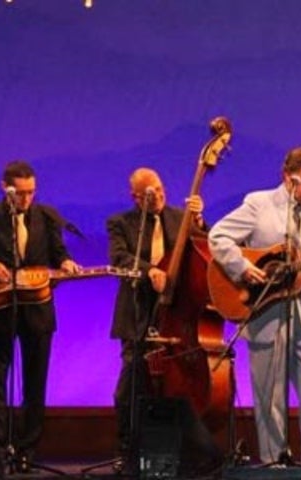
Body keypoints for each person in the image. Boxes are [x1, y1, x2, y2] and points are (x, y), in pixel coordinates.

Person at [209, 146, 301, 472]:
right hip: (265, 311)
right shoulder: (258, 204)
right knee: (269, 397)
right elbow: (219, 236)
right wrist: (241, 267)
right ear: (287, 177)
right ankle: (274, 462)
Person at [0, 160, 80, 473]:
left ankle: (27, 451)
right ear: (5, 189)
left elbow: (57, 252)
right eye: (20, 194)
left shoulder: (47, 216)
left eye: (31, 193)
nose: (26, 200)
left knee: (35, 381)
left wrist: (65, 263)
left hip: (37, 310)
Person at [106, 167, 206, 468]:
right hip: (138, 311)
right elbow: (120, 258)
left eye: (161, 190)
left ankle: (180, 449)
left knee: (176, 383)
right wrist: (150, 269)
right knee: (132, 382)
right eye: (150, 194)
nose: (159, 197)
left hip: (177, 313)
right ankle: (126, 448)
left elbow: (204, 247)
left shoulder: (181, 218)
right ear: (136, 197)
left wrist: (199, 222)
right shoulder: (121, 224)